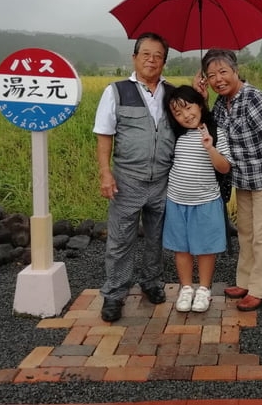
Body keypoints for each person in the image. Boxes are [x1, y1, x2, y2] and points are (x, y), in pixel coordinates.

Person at [194, 49, 262, 312]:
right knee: (247, 233)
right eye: (211, 75)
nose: (218, 79)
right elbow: (210, 129)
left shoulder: (253, 98)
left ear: (236, 71)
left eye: (223, 72)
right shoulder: (221, 102)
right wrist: (202, 98)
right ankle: (246, 282)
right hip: (243, 179)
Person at [93, 32, 175, 322]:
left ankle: (152, 283)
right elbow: (104, 135)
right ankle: (114, 294)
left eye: (158, 56)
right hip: (127, 180)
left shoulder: (172, 93)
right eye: (146, 54)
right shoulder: (116, 91)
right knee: (120, 241)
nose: (152, 60)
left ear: (164, 61)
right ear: (135, 57)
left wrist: (199, 97)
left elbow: (191, 120)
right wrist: (106, 173)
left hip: (163, 181)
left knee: (156, 237)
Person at [163, 85, 232, 312]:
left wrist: (210, 147)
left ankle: (203, 289)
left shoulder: (215, 132)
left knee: (205, 248)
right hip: (176, 200)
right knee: (181, 248)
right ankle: (186, 288)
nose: (186, 116)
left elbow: (224, 168)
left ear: (200, 105)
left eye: (189, 107)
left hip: (206, 201)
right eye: (178, 113)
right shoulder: (177, 135)